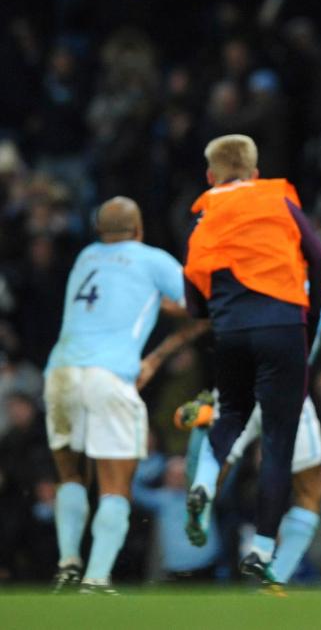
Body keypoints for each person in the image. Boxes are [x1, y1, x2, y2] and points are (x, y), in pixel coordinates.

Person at [182, 134, 321, 586]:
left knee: (229, 416)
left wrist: (219, 312)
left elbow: (192, 299)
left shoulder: (205, 214)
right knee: (278, 442)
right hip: (284, 325)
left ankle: (204, 482)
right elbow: (320, 260)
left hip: (230, 331)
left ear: (210, 176)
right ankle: (262, 547)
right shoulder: (276, 199)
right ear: (255, 171)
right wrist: (311, 313)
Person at [44, 196, 200, 593]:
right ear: (139, 229)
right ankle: (96, 579)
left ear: (100, 232)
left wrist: (156, 306)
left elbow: (118, 299)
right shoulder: (152, 259)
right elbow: (202, 308)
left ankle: (67, 562)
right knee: (116, 485)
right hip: (110, 375)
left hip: (60, 370)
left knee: (71, 476)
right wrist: (158, 357)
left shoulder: (86, 258)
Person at [182, 287, 321, 584]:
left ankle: (203, 490)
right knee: (309, 491)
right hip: (286, 386)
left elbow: (212, 323)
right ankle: (276, 578)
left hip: (237, 380)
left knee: (218, 455)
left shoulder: (251, 279)